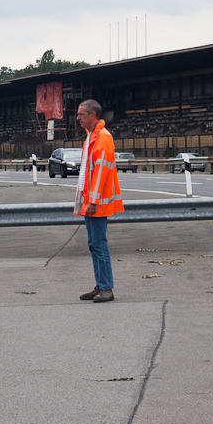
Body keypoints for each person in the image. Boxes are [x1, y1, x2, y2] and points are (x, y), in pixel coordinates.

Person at [73, 99, 124, 303]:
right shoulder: (92, 136)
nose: (78, 118)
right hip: (92, 200)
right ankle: (101, 284)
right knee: (94, 244)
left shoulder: (102, 137)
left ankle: (106, 287)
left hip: (97, 202)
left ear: (93, 114)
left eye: (81, 114)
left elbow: (101, 172)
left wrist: (92, 200)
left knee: (99, 244)